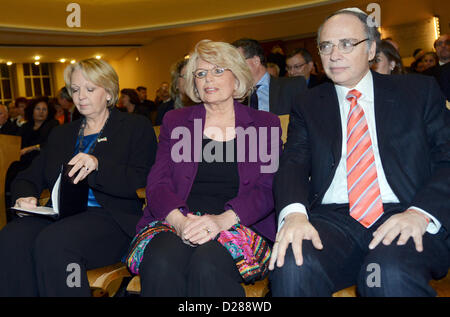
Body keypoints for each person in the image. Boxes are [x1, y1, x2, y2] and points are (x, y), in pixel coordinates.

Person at [270, 8, 450, 297]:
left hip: (405, 211)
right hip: (333, 220)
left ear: (370, 49)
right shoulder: (308, 103)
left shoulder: (418, 92)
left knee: (385, 273)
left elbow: (447, 158)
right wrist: (293, 215)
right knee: (291, 263)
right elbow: (293, 163)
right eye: (326, 46)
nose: (334, 54)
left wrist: (420, 212)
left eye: (346, 44)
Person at [125, 39, 282, 297]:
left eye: (218, 70)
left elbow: (267, 188)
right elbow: (158, 183)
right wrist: (179, 221)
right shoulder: (176, 121)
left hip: (239, 223)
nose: (208, 79)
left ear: (237, 76)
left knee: (207, 265)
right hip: (178, 220)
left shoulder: (264, 124)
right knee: (162, 261)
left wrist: (221, 221)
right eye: (201, 73)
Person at [0, 58, 157, 296]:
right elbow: (27, 176)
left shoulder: (135, 127)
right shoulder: (62, 134)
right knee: (12, 236)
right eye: (75, 89)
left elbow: (143, 179)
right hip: (63, 216)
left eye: (90, 89)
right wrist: (25, 196)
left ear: (109, 92)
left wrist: (97, 165)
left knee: (54, 242)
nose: (81, 96)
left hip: (112, 219)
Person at [232, 38, 307, 115]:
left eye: (237, 62)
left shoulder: (292, 86)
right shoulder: (233, 95)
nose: (233, 68)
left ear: (256, 61)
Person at [155, 58, 196, 126]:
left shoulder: (210, 114)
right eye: (186, 76)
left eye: (196, 75)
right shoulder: (170, 115)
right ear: (176, 83)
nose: (192, 80)